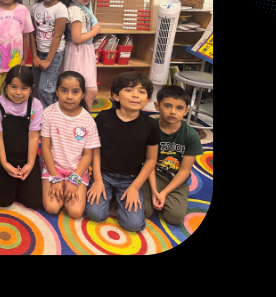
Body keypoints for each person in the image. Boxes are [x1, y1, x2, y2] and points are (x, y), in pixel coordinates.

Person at [85, 72, 159, 232]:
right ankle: (110, 195)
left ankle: (116, 196)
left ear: (147, 100)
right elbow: (95, 150)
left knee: (133, 225)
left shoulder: (151, 125)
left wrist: (134, 187)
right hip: (103, 175)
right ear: (115, 96)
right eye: (129, 90)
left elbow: (151, 160)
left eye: (141, 92)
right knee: (95, 214)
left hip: (131, 179)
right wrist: (97, 180)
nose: (135, 95)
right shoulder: (103, 117)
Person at [40, 71, 99, 219]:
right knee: (52, 208)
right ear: (57, 91)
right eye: (64, 90)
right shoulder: (48, 113)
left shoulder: (88, 121)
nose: (70, 96)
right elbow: (45, 148)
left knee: (76, 212)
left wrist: (74, 179)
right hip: (53, 168)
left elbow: (87, 155)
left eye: (76, 91)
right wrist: (55, 178)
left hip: (77, 171)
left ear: (83, 94)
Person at [144, 85, 204, 225]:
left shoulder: (191, 135)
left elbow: (185, 170)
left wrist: (164, 193)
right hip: (150, 174)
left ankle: (166, 196)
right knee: (144, 210)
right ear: (157, 106)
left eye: (179, 108)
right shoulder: (149, 128)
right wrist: (154, 191)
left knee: (176, 218)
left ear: (186, 111)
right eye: (167, 106)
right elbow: (148, 162)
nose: (172, 112)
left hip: (175, 179)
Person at [0, 65, 43, 209]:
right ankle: (12, 184)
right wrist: (5, 164)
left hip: (27, 158)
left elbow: (33, 137)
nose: (18, 92)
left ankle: (20, 183)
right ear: (6, 87)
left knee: (34, 202)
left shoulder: (35, 105)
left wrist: (30, 165)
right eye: (13, 87)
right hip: (5, 159)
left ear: (31, 89)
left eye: (24, 88)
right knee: (3, 201)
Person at [29, 0, 69, 108]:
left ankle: (48, 117)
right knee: (36, 86)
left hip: (54, 54)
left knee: (46, 89)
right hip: (39, 53)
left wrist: (48, 60)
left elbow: (57, 36)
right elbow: (32, 34)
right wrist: (34, 56)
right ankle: (37, 114)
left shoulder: (61, 9)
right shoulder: (35, 8)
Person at [61, 0, 101, 109]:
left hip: (84, 52)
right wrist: (95, 31)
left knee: (85, 90)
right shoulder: (75, 11)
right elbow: (77, 38)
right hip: (78, 53)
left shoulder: (83, 9)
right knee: (87, 90)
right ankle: (84, 117)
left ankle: (82, 116)